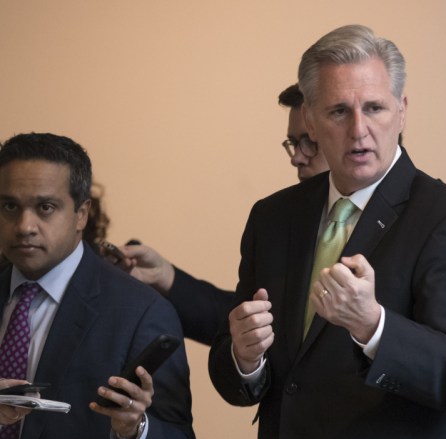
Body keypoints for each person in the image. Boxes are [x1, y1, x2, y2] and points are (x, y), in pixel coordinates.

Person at [208, 24, 446, 439]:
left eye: (374, 108)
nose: (358, 130)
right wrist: (244, 357)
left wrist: (373, 326)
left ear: (402, 111)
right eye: (338, 111)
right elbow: (248, 373)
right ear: (310, 117)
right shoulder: (273, 216)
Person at [0, 132, 199, 439]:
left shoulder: (141, 312)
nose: (24, 225)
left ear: (81, 214)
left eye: (45, 208)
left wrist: (133, 431)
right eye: (10, 206)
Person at [114, 83, 331, 345]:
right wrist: (165, 276)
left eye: (309, 142)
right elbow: (243, 321)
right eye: (293, 143)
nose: (296, 158)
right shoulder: (279, 220)